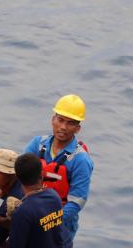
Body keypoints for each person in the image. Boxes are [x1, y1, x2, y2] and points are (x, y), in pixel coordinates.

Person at [23, 94, 94, 240]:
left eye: (70, 123)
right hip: (31, 212)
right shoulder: (37, 144)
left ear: (77, 128)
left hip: (62, 225)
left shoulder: (81, 160)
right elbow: (20, 175)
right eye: (60, 120)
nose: (63, 127)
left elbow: (76, 203)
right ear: (52, 120)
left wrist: (47, 223)